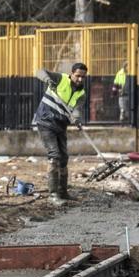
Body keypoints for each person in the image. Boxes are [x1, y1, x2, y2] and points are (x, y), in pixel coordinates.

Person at [33, 62, 87, 203]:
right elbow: (39, 71)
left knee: (64, 158)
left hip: (61, 125)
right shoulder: (60, 79)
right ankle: (53, 195)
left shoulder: (81, 93)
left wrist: (76, 118)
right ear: (72, 73)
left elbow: (77, 109)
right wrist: (48, 80)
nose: (80, 79)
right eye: (77, 76)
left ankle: (63, 192)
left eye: (83, 77)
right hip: (45, 122)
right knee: (54, 156)